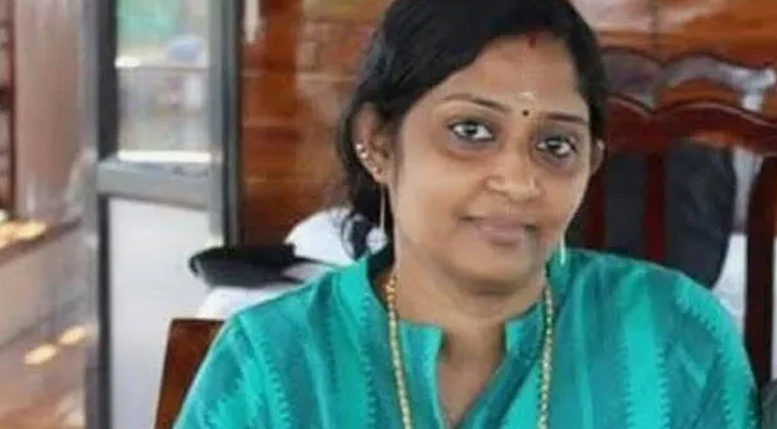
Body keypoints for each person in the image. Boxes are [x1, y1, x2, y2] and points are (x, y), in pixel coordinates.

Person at [173, 0, 759, 427]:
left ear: (591, 162)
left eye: (556, 144)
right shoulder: (272, 366)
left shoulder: (675, 339)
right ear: (377, 142)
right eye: (471, 131)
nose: (519, 181)